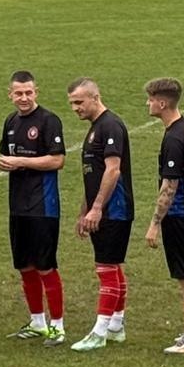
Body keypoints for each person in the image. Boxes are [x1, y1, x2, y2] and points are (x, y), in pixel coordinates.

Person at [0, 70, 67, 343]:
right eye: (18, 93)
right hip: (18, 206)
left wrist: (20, 162)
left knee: (45, 266)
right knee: (24, 265)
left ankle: (57, 326)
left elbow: (57, 160)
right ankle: (38, 322)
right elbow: (6, 154)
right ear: (10, 95)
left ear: (36, 92)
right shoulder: (11, 121)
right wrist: (4, 162)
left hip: (43, 205)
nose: (24, 98)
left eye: (28, 92)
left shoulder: (49, 121)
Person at [67, 77, 133, 352]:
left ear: (96, 97)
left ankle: (99, 332)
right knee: (113, 266)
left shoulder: (110, 126)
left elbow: (113, 169)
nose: (75, 108)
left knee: (106, 268)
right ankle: (116, 326)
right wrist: (85, 209)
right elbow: (92, 175)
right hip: (105, 209)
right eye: (72, 103)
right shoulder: (97, 127)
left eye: (79, 102)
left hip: (114, 210)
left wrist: (97, 208)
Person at [143, 78, 184, 354]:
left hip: (182, 213)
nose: (147, 103)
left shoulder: (173, 138)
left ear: (162, 102)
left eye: (150, 99)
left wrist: (154, 223)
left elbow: (169, 186)